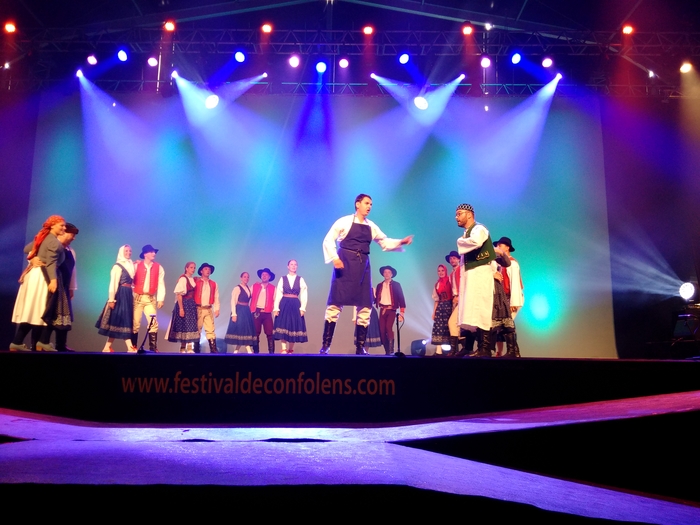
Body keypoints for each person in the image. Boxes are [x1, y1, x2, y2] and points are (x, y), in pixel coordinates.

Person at [320, 194, 413, 355]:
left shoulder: (371, 226)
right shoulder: (344, 221)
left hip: (363, 266)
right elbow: (329, 239)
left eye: (371, 204)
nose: (369, 206)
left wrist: (401, 242)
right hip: (345, 263)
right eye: (366, 203)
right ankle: (325, 345)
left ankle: (360, 347)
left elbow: (384, 242)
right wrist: (335, 258)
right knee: (335, 304)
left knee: (364, 306)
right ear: (358, 204)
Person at [10, 215, 66, 351]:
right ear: (52, 225)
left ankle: (21, 342)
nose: (64, 228)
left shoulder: (42, 237)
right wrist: (53, 281)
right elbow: (51, 263)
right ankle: (40, 342)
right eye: (61, 225)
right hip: (43, 276)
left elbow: (26, 249)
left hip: (34, 275)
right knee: (43, 308)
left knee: (34, 308)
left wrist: (34, 257)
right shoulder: (53, 241)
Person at [455, 203, 496, 357]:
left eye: (459, 213)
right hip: (471, 275)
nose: (456, 217)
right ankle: (468, 346)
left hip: (480, 274)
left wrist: (460, 241)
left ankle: (485, 348)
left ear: (469, 214)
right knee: (469, 310)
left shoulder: (479, 229)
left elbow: (476, 242)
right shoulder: (467, 233)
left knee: (480, 309)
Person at [96, 245, 136, 353]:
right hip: (121, 294)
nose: (128, 253)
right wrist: (111, 299)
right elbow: (113, 283)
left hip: (128, 294)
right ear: (121, 252)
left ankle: (107, 347)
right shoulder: (117, 266)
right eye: (126, 251)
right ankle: (129, 347)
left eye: (130, 251)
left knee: (120, 321)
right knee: (122, 319)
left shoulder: (130, 264)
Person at [493, 237, 523, 358]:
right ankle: (513, 351)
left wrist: (513, 303)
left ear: (507, 247)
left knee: (507, 324)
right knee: (504, 325)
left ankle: (513, 351)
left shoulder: (512, 263)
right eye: (497, 245)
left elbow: (515, 283)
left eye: (500, 245)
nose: (498, 247)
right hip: (504, 298)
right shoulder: (500, 263)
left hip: (511, 298)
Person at [131, 244, 165, 352]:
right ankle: (133, 347)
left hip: (150, 298)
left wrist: (160, 299)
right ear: (145, 254)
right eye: (151, 252)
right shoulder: (137, 265)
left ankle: (153, 348)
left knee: (153, 323)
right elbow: (130, 280)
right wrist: (133, 293)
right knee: (135, 323)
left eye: (154, 252)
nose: (154, 253)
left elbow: (161, 283)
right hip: (138, 298)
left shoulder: (158, 267)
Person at [273, 259, 308, 354]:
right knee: (283, 324)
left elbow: (304, 294)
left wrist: (303, 308)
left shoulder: (300, 279)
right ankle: (284, 348)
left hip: (295, 304)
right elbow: (278, 294)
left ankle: (290, 349)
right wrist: (276, 308)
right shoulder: (283, 279)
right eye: (291, 264)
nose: (293, 266)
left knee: (293, 325)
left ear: (297, 266)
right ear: (288, 266)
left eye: (295, 264)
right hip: (284, 303)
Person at [167, 262, 200, 353]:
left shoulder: (192, 279)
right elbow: (179, 294)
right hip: (184, 304)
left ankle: (189, 347)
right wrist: (181, 308)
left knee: (191, 326)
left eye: (194, 267)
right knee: (184, 325)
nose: (193, 269)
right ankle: (182, 347)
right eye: (191, 267)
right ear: (186, 268)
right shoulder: (183, 279)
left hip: (191, 304)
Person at [375, 265, 406, 356]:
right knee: (382, 330)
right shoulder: (379, 285)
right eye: (385, 272)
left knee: (388, 328)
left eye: (389, 272)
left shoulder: (396, 285)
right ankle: (387, 351)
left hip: (391, 310)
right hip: (382, 310)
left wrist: (402, 313)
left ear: (392, 274)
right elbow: (376, 298)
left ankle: (391, 350)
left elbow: (401, 298)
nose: (387, 274)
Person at [225, 272, 256, 353]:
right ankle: (248, 350)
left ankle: (236, 350)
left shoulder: (248, 288)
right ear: (241, 278)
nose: (246, 278)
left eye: (248, 277)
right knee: (242, 330)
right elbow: (233, 301)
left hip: (246, 310)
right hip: (239, 310)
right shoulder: (237, 288)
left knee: (245, 330)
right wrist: (234, 314)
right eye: (244, 277)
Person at [194, 262, 220, 354]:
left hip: (208, 308)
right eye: (205, 269)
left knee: (210, 329)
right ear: (201, 271)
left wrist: (216, 309)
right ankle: (196, 349)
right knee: (197, 330)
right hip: (198, 308)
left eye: (209, 269)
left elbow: (216, 297)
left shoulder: (213, 283)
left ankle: (213, 349)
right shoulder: (196, 281)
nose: (208, 270)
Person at [250, 268, 276, 354]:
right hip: (256, 312)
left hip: (267, 313)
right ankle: (256, 353)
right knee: (255, 333)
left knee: (270, 333)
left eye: (266, 275)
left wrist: (275, 310)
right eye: (263, 275)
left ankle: (271, 354)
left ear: (269, 277)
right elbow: (247, 294)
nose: (264, 276)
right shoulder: (255, 286)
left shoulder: (273, 288)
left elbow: (276, 300)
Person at [431, 264, 452, 354]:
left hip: (450, 306)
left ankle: (452, 350)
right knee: (439, 328)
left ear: (445, 271)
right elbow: (436, 300)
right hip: (440, 308)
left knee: (450, 328)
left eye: (442, 270)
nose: (441, 272)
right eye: (439, 271)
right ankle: (438, 351)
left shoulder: (450, 280)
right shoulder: (437, 284)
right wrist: (434, 312)